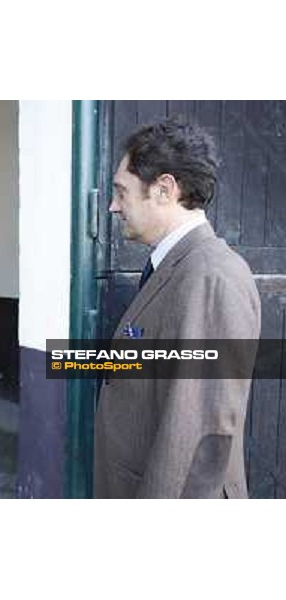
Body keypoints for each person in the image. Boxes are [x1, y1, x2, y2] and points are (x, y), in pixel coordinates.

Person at [94, 120, 261, 498]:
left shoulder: (212, 278)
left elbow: (200, 438)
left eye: (122, 192)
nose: (112, 206)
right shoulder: (176, 266)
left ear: (164, 189)